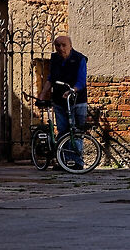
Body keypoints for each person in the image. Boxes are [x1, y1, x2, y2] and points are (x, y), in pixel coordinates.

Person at [39, 34, 88, 164]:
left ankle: (76, 162)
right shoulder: (55, 59)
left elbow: (81, 81)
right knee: (63, 131)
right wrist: (43, 93)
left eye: (64, 45)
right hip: (59, 101)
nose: (61, 48)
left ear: (70, 46)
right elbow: (51, 78)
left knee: (76, 132)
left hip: (78, 101)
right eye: (57, 45)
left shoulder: (79, 59)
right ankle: (63, 161)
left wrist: (72, 90)